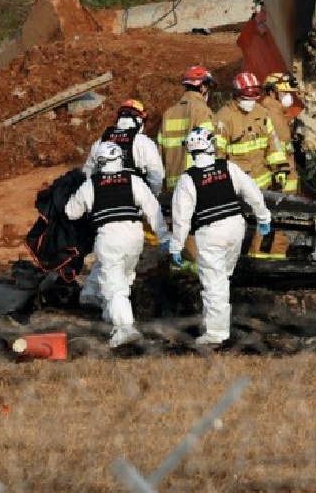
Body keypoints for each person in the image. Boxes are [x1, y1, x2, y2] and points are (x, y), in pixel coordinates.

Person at [167, 127, 271, 346]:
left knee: (214, 284)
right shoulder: (228, 168)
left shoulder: (188, 180)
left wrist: (176, 246)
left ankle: (216, 333)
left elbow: (181, 219)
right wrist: (263, 217)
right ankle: (221, 320)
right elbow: (252, 192)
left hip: (210, 232)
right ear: (211, 146)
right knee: (223, 277)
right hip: (235, 226)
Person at [64, 142, 170, 348]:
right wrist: (164, 237)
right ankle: (109, 317)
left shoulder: (91, 185)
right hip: (134, 237)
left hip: (110, 237)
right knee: (125, 278)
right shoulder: (133, 180)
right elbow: (152, 208)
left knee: (115, 287)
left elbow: (71, 212)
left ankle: (124, 328)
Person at [214, 71, 286, 191]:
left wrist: (280, 169)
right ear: (236, 94)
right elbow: (217, 156)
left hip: (264, 187)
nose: (252, 99)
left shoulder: (261, 113)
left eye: (256, 93)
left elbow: (273, 144)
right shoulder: (224, 118)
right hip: (239, 188)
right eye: (248, 94)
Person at [157, 66, 217, 192]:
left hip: (172, 185)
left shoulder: (168, 114)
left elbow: (160, 152)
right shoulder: (202, 111)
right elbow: (209, 148)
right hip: (196, 183)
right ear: (202, 87)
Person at [83, 99, 163, 193]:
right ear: (139, 120)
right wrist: (151, 198)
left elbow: (88, 174)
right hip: (134, 201)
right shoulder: (143, 143)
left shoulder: (101, 142)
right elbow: (156, 177)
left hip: (104, 199)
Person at [260, 72, 301, 194]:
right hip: (279, 185)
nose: (288, 97)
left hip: (286, 184)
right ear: (273, 92)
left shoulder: (279, 114)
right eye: (285, 93)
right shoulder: (268, 115)